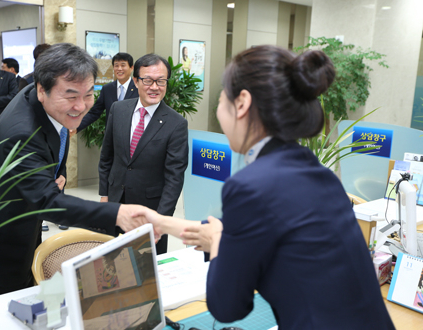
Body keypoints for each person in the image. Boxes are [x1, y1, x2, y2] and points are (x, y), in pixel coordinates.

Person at [137, 46, 395, 329]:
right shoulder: (314, 170)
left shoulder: (250, 185)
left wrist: (219, 242)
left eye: (222, 97)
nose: (218, 108)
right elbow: (249, 229)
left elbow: (227, 306)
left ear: (242, 103)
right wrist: (163, 223)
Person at [0, 43, 149, 298]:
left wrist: (53, 172)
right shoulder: (22, 132)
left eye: (88, 94)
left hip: (24, 212)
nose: (81, 106)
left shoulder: (40, 95)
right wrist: (118, 214)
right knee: (7, 298)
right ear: (43, 90)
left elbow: (54, 139)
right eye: (71, 96)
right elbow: (48, 202)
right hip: (2, 232)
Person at [99, 53, 189, 254]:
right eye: (148, 80)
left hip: (150, 211)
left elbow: (174, 177)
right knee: (110, 262)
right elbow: (107, 156)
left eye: (161, 81)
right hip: (115, 203)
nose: (154, 87)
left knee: (148, 272)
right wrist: (104, 195)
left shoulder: (176, 124)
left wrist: (161, 220)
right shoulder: (118, 109)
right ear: (135, 81)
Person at [77, 52, 139, 132]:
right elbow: (94, 113)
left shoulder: (139, 88)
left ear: (131, 68)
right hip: (111, 138)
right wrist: (76, 127)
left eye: (123, 65)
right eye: (116, 65)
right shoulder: (107, 89)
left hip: (133, 137)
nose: (119, 69)